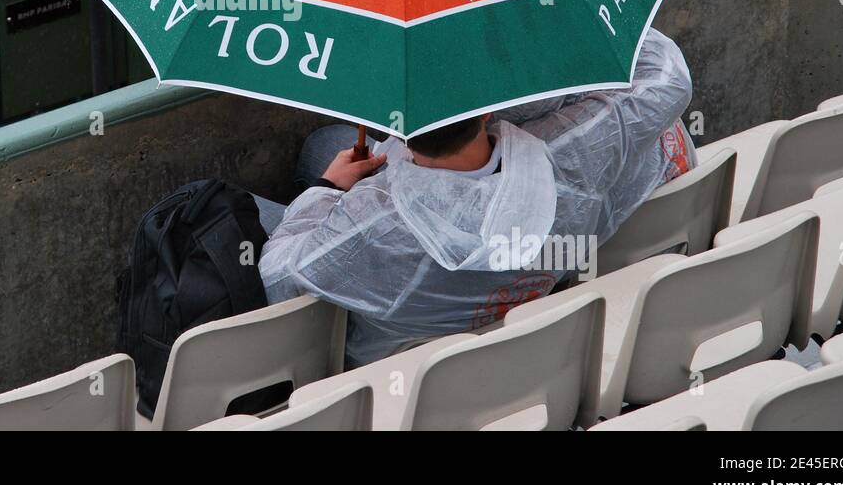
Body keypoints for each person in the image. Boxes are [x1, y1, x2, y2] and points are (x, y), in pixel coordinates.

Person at [256, 28, 696, 369]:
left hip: (402, 360)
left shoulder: (370, 224)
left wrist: (327, 190)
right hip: (518, 335)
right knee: (327, 140)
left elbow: (277, 276)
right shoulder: (577, 146)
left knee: (305, 158)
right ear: (487, 108)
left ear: (397, 129)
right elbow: (664, 76)